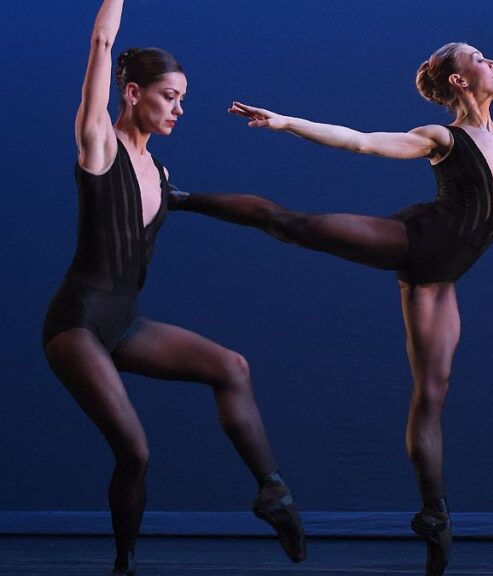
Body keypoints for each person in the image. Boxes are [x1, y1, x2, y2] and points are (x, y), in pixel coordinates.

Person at [169, 2, 493, 573]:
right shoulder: (442, 137)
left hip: (441, 277)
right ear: (460, 79)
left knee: (431, 396)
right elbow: (362, 142)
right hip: (414, 240)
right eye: (481, 59)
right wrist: (286, 122)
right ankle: (180, 197)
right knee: (295, 225)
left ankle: (433, 512)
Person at [42, 2, 306, 573]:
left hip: (125, 323)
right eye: (169, 96)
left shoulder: (158, 172)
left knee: (231, 366)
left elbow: (209, 205)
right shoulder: (99, 145)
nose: (180, 108)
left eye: (183, 98)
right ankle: (124, 565)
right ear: (132, 93)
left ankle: (273, 492)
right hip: (77, 325)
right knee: (135, 452)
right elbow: (101, 44)